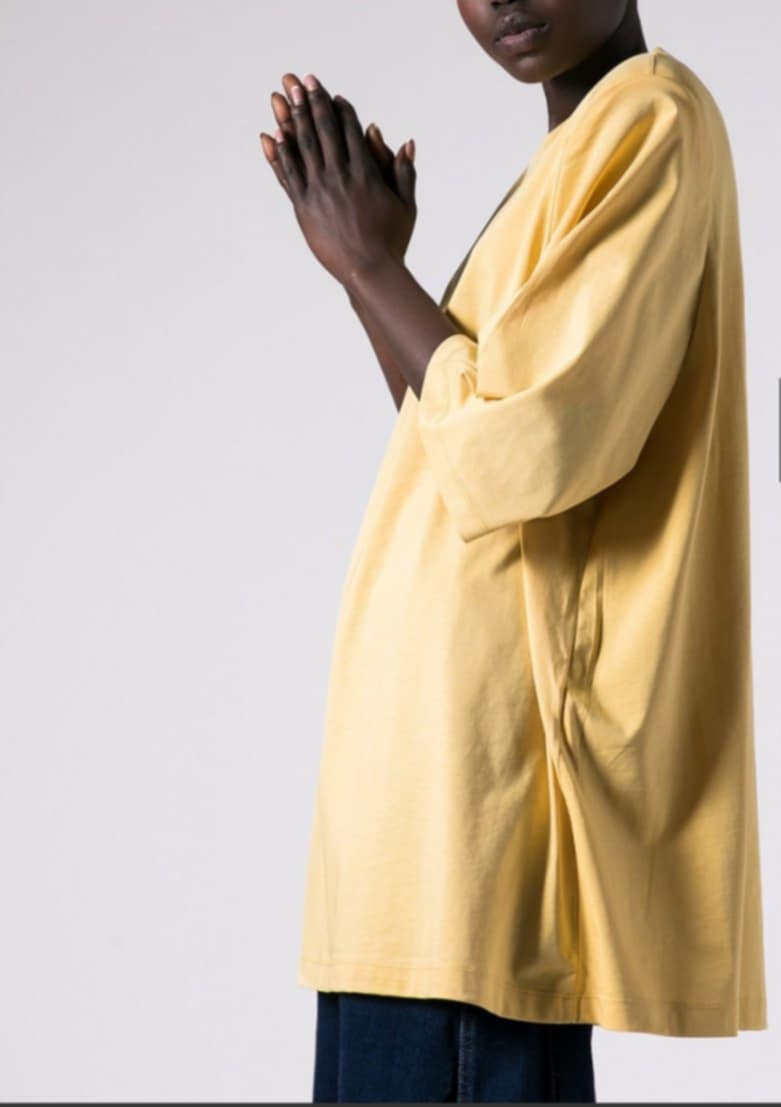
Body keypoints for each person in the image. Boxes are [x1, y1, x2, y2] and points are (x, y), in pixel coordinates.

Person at [260, 0, 768, 1101]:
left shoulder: (654, 120)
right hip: (412, 805)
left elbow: (526, 453)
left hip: (480, 804)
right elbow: (454, 446)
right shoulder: (572, 153)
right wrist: (374, 275)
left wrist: (372, 269)